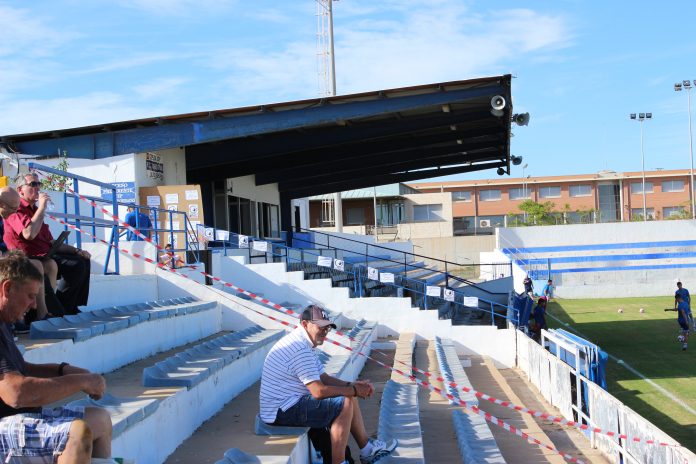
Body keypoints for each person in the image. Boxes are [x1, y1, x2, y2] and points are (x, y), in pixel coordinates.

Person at [0, 251, 113, 462]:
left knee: (100, 419)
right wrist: (79, 381)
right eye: (30, 296)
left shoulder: (4, 321)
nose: (34, 305)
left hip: (14, 421)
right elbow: (16, 393)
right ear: (7, 289)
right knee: (76, 434)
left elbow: (18, 368)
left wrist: (62, 369)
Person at [259, 305, 398, 464]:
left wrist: (351, 385)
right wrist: (353, 390)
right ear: (305, 324)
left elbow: (323, 377)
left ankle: (367, 449)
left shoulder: (304, 343)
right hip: (280, 410)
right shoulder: (299, 348)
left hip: (286, 404)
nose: (325, 331)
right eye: (321, 326)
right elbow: (318, 391)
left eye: (327, 327)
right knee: (344, 401)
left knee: (348, 395)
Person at [3, 173, 91, 315]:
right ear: (20, 190)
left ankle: (69, 306)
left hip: (45, 254)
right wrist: (42, 208)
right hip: (29, 257)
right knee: (75, 265)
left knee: (83, 260)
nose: (37, 188)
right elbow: (29, 234)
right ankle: (60, 308)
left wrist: (76, 250)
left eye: (39, 184)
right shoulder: (16, 209)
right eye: (33, 184)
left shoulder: (35, 211)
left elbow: (50, 241)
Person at [0, 187, 59, 324]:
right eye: (12, 208)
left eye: (16, 209)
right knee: (35, 265)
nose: (15, 212)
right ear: (1, 204)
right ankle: (35, 314)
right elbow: (28, 234)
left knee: (51, 264)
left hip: (10, 255)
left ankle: (46, 309)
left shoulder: (6, 214)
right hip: (9, 256)